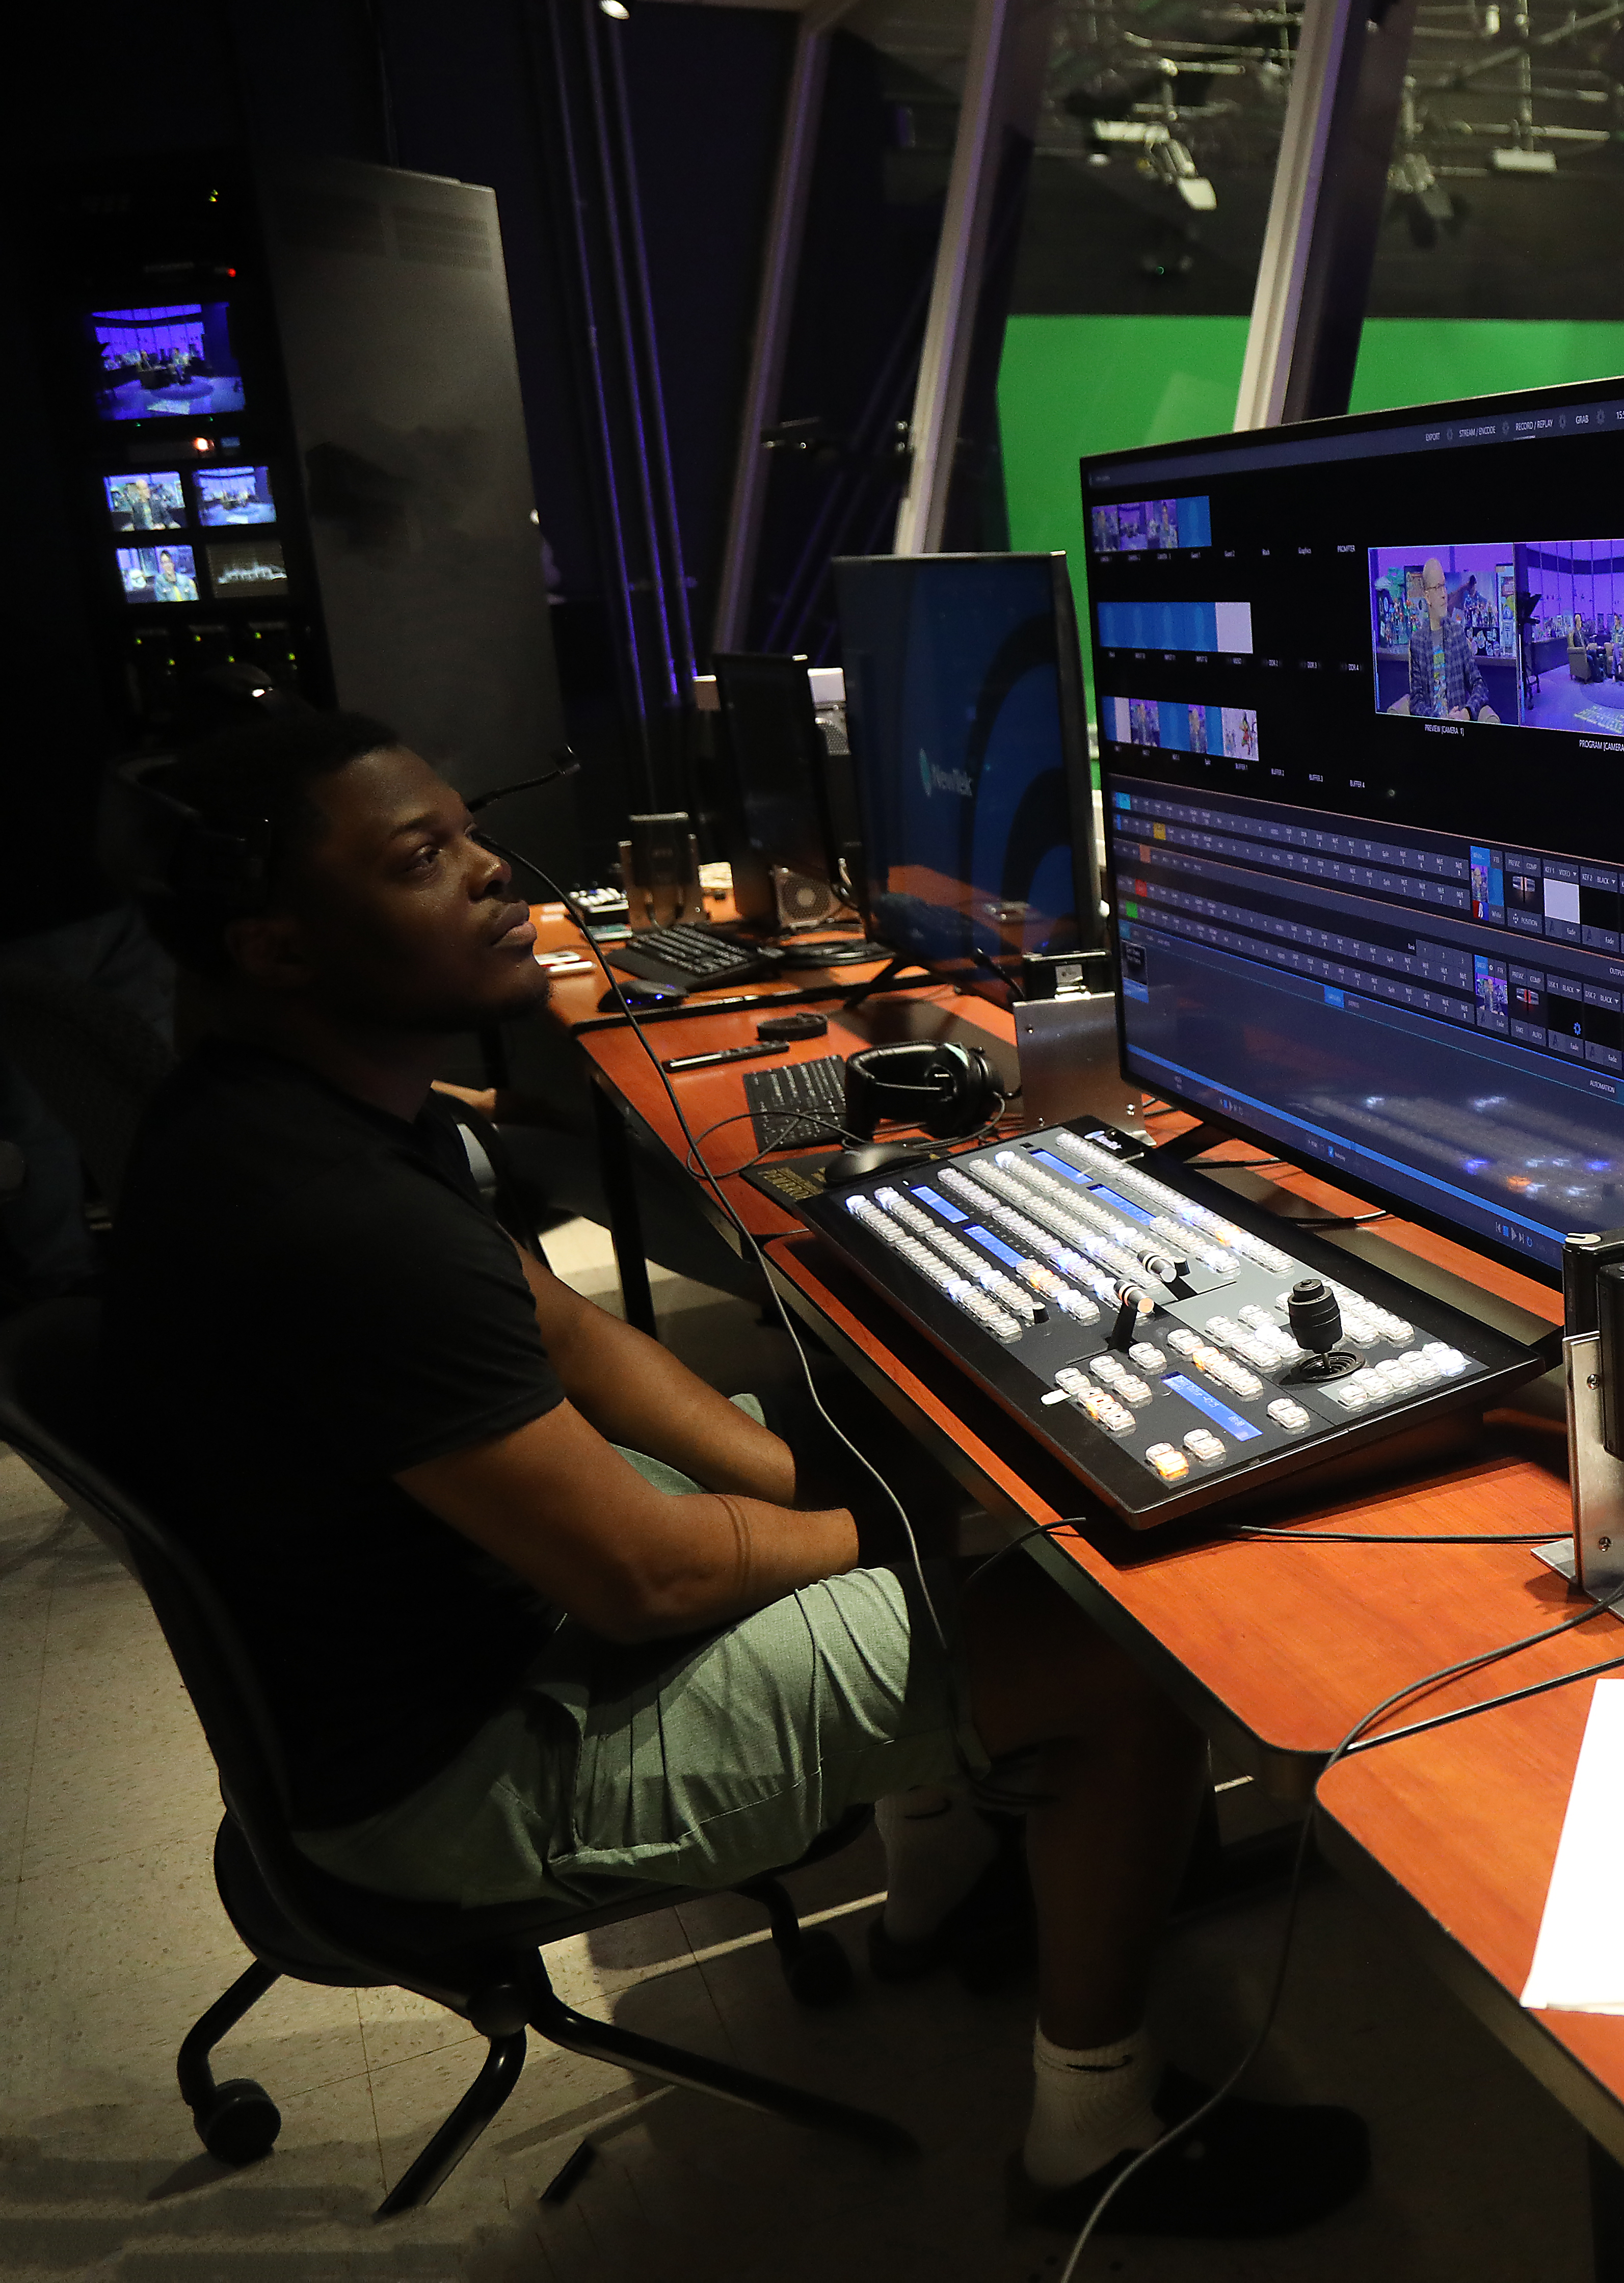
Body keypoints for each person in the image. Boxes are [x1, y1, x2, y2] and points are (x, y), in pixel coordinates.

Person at [97, 711, 1366, 2241]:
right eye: (424, 859)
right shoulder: (325, 1217)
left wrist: (813, 1467)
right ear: (279, 944)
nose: (498, 872)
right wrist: (898, 1517)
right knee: (1115, 1648)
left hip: (413, 1685)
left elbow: (559, 1321)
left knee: (882, 1466)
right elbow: (646, 1577)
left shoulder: (299, 1110)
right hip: (458, 1779)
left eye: (465, 828)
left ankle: (931, 1892)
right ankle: (1090, 2136)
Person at [1392, 564, 1495, 722]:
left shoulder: (1457, 633)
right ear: (1427, 597)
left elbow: (1479, 685)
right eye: (1438, 588)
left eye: (1444, 586)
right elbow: (1416, 699)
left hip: (1459, 726)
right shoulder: (1418, 641)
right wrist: (1439, 719)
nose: (1444, 594)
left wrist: (1466, 713)